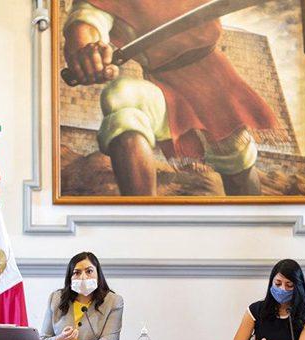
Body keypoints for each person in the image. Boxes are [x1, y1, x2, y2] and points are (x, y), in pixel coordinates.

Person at [63, 0, 287, 196]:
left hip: (216, 85)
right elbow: (87, 21)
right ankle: (141, 219)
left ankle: (251, 224)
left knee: (238, 168)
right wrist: (86, 52)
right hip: (164, 90)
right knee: (121, 97)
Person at [230, 259, 305, 340]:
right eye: (277, 283)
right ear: (271, 283)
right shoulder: (255, 309)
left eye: (289, 285)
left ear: (298, 287)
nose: (282, 289)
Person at [41, 252, 124, 340]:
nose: (83, 277)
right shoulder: (56, 298)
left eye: (89, 271)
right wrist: (59, 339)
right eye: (77, 272)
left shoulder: (113, 301)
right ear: (70, 277)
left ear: (98, 274)